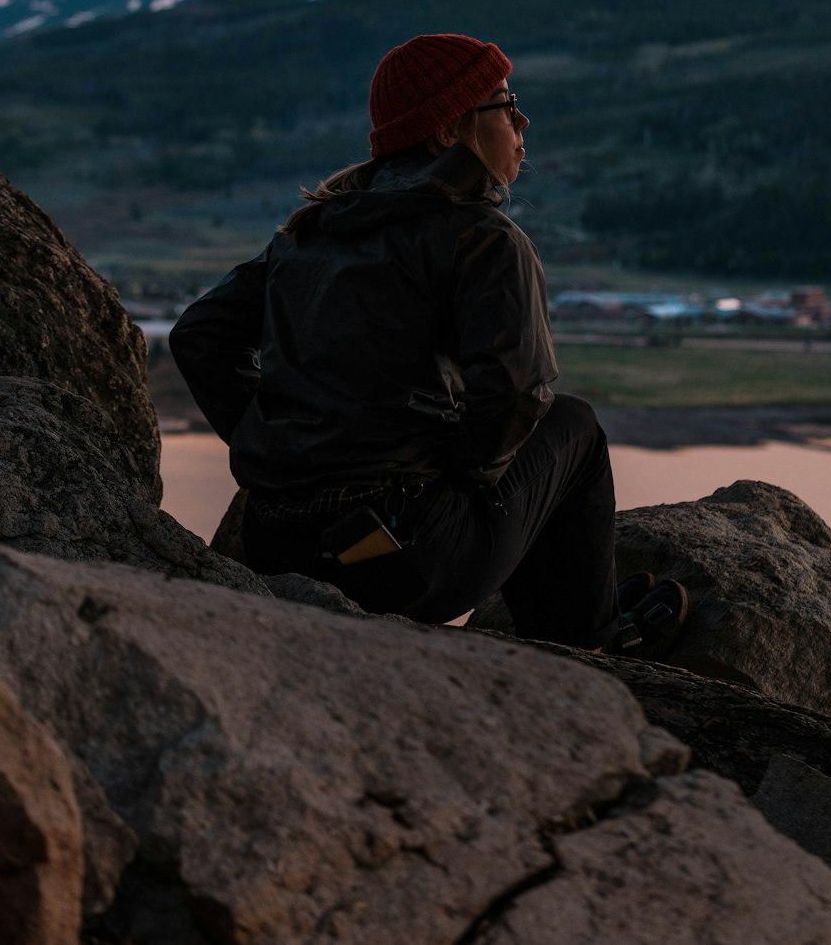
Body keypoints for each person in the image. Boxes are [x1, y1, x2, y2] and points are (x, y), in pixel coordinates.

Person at [170, 32, 686, 654]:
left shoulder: (312, 229)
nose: (522, 119)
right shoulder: (483, 238)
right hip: (403, 562)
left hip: (279, 543)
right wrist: (464, 479)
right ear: (449, 131)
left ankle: (574, 621)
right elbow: (516, 397)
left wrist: (275, 447)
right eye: (505, 103)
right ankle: (591, 642)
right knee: (574, 426)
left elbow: (199, 336)